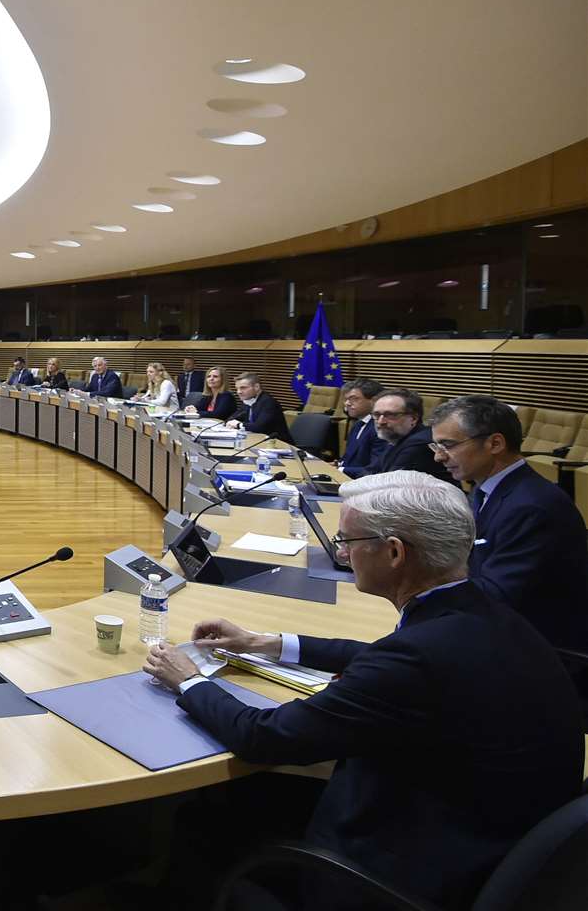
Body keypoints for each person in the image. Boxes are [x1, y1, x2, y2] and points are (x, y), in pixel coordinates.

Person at [143, 472, 582, 909]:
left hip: (400, 870)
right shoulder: (479, 613)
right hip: (483, 833)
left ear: (393, 552)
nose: (340, 552)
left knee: (207, 821)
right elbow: (383, 657)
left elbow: (264, 736)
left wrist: (187, 679)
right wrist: (266, 643)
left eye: (347, 540)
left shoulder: (416, 659)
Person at [427, 395, 588, 657]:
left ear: (495, 443)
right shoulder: (488, 491)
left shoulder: (531, 507)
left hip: (539, 653)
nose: (439, 457)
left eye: (448, 445)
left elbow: (497, 595)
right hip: (498, 630)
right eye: (435, 446)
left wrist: (418, 586)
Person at [369, 388, 452, 482]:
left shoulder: (418, 444)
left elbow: (388, 485)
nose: (380, 421)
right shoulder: (396, 437)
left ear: (413, 418)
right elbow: (373, 471)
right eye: (376, 415)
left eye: (390, 415)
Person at [338, 378, 387, 476]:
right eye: (346, 399)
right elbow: (349, 457)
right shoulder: (358, 423)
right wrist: (338, 464)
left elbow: (376, 470)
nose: (347, 403)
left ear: (374, 401)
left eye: (354, 399)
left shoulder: (381, 428)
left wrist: (341, 469)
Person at [225, 372, 292, 441]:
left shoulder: (268, 402)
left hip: (277, 445)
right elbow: (231, 419)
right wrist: (232, 422)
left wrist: (238, 425)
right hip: (256, 440)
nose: (239, 392)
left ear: (257, 387)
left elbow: (259, 427)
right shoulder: (248, 401)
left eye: (243, 388)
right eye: (237, 388)